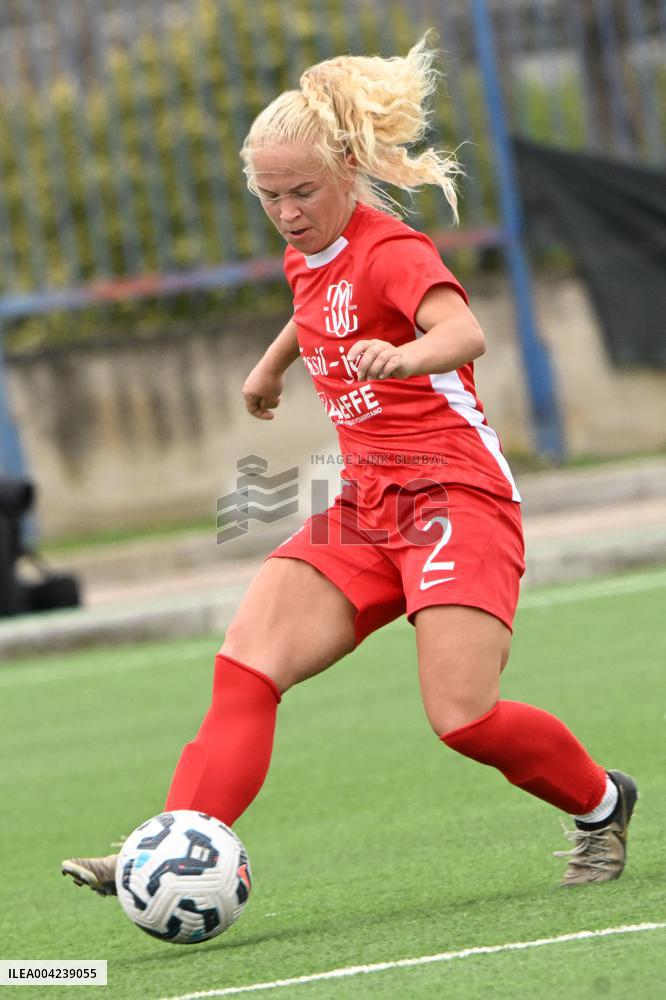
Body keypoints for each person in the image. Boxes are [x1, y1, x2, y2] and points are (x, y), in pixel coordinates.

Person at [62, 35, 637, 897]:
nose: (288, 212)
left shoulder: (392, 249)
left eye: (302, 192)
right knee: (248, 662)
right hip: (370, 502)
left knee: (462, 716)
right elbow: (315, 303)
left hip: (455, 497)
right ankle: (176, 842)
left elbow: (462, 331)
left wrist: (407, 359)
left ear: (346, 171)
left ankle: (600, 804)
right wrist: (271, 366)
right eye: (269, 195)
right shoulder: (309, 248)